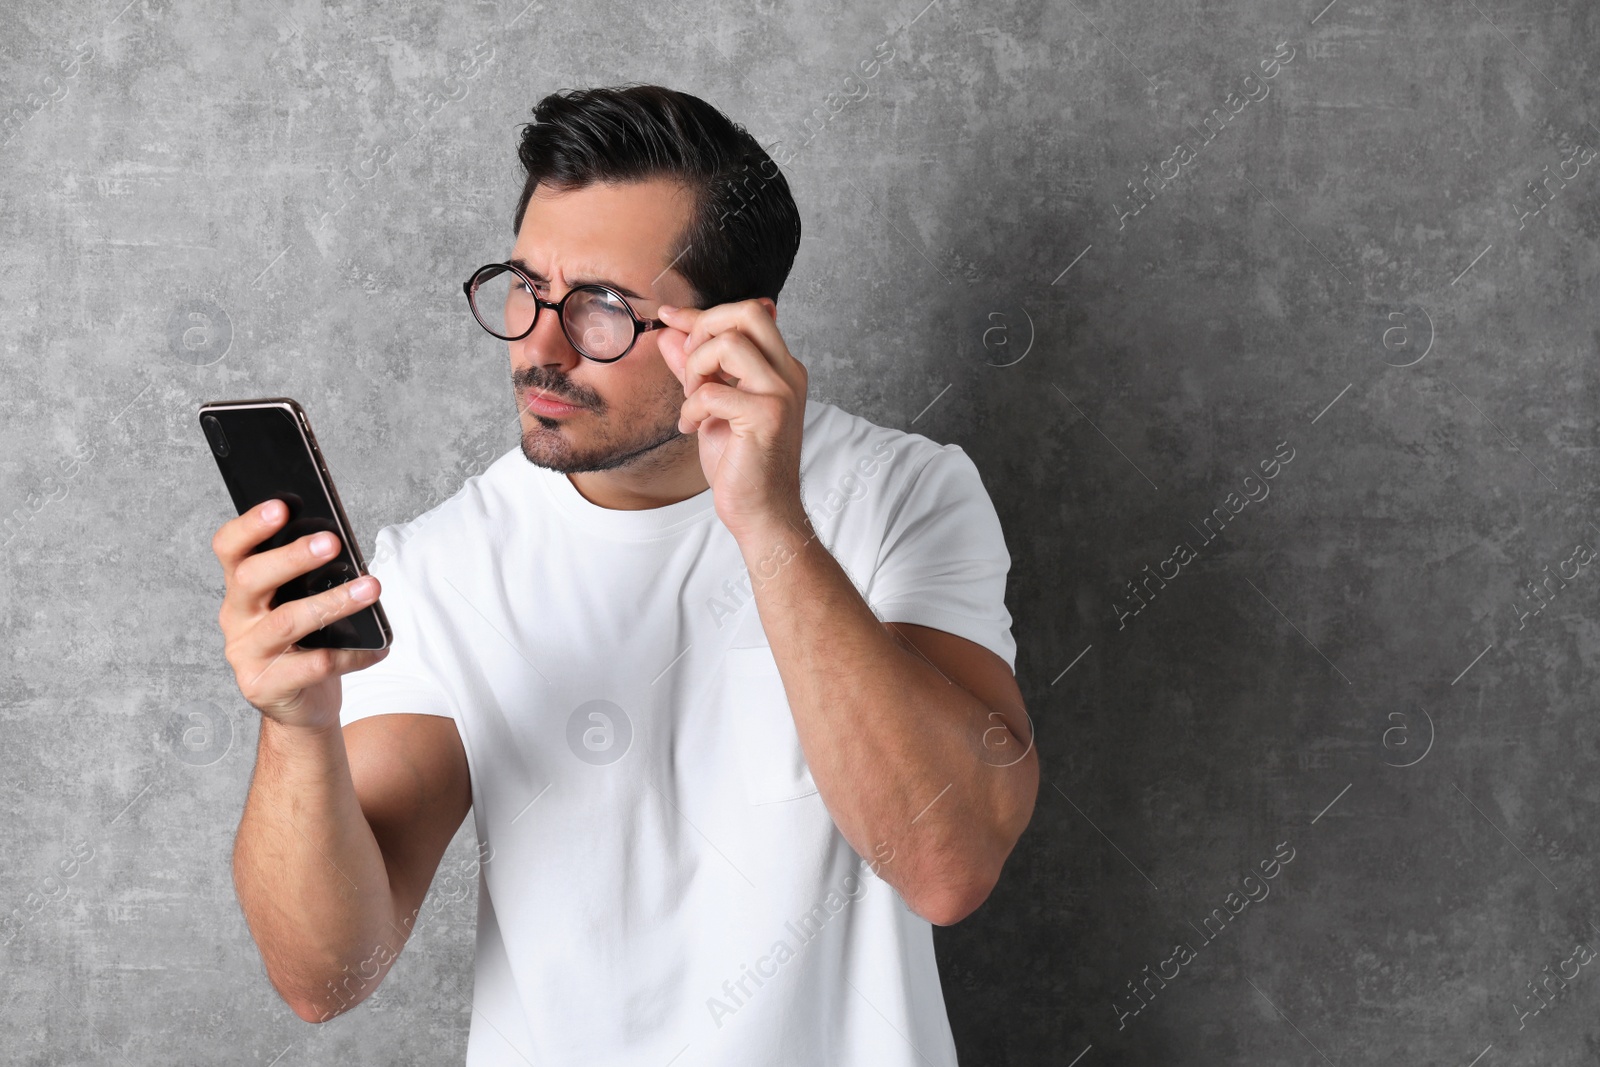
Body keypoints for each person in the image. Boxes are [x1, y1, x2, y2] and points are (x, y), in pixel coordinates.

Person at [215, 84, 1037, 1066]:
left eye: (602, 309)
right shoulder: (445, 564)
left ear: (737, 332)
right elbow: (324, 977)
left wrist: (769, 527)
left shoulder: (902, 496)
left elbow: (947, 866)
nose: (539, 345)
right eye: (524, 284)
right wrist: (297, 726)